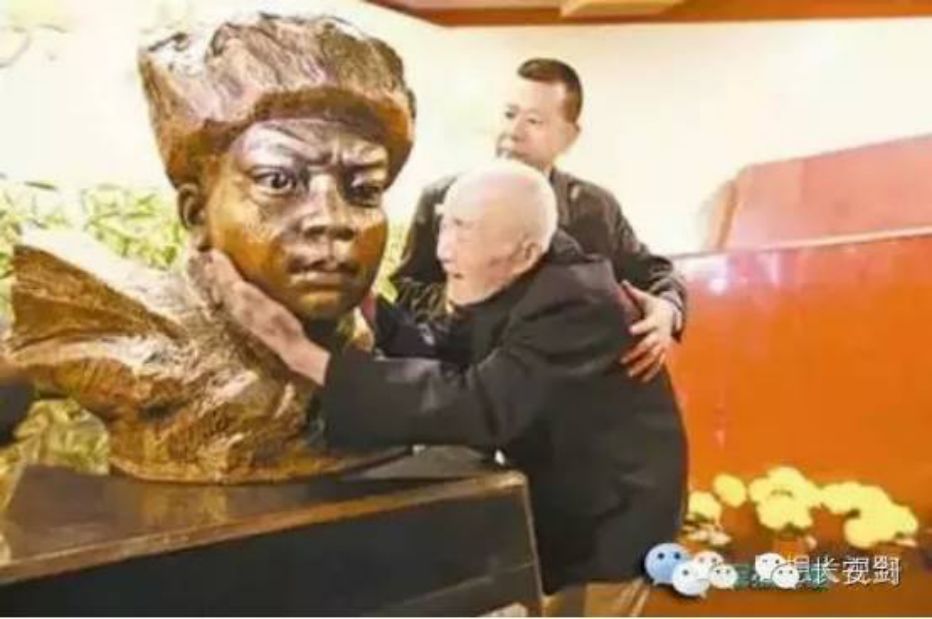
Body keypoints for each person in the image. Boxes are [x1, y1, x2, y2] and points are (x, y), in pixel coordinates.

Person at [206, 159, 688, 609]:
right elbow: (447, 349)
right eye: (446, 224)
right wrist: (367, 303)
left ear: (525, 252)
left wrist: (303, 355)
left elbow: (478, 404)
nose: (443, 250)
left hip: (615, 517)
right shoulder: (520, 269)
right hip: (561, 497)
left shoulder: (576, 304)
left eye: (465, 231)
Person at [3, 13, 416, 483]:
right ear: (197, 213)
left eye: (364, 190)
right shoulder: (137, 346)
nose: (331, 219)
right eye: (278, 182)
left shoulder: (377, 356)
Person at [391, 58, 688, 383]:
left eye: (533, 121)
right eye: (509, 114)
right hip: (468, 381)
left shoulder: (596, 208)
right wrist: (456, 299)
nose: (513, 132)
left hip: (565, 388)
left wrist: (666, 311)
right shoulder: (444, 198)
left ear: (569, 137)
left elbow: (657, 274)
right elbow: (407, 288)